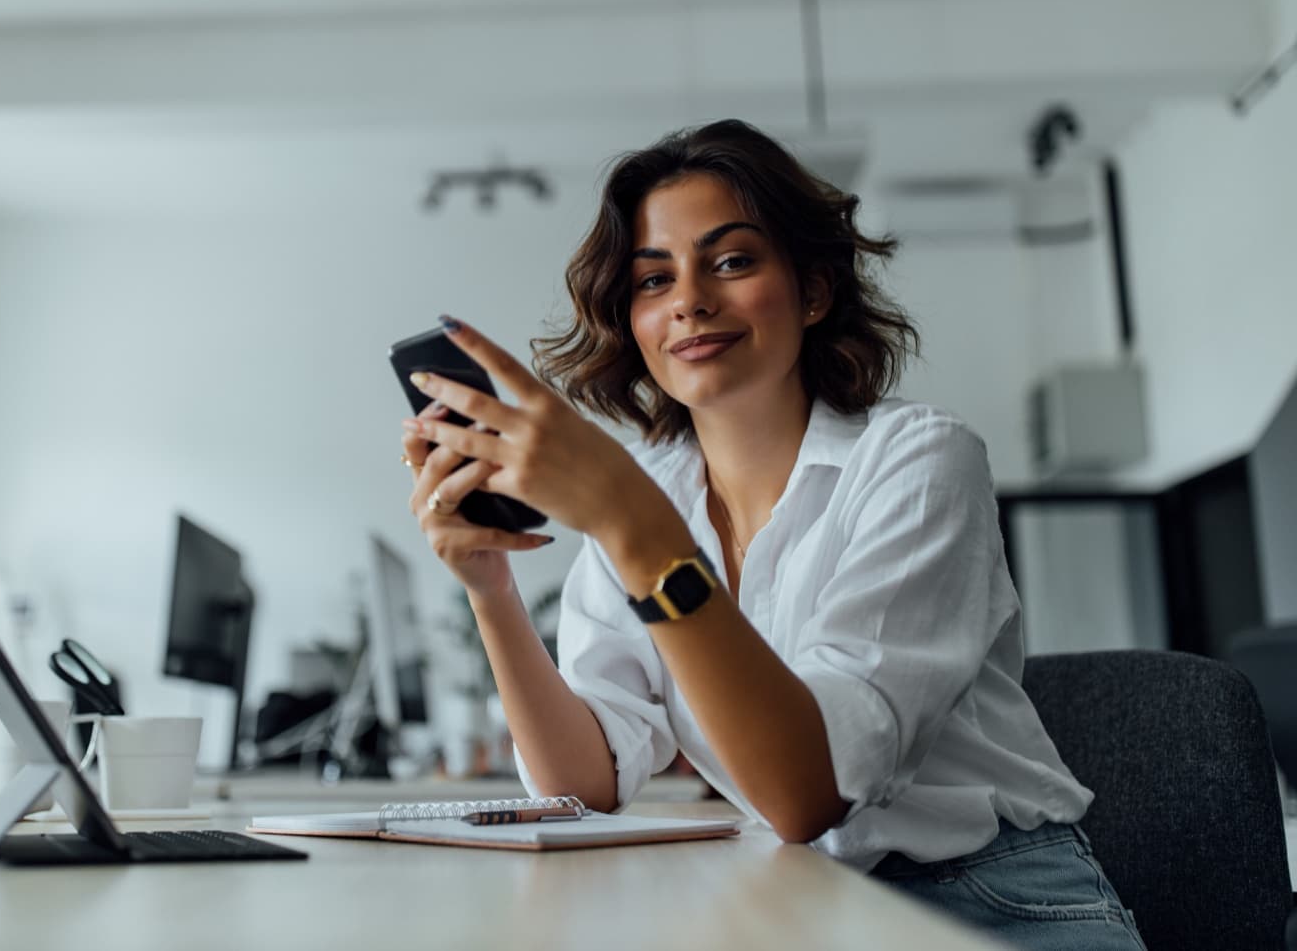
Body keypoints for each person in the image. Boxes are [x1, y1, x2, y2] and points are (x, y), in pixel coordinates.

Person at [398, 119, 1145, 950]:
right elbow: (587, 780)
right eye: (653, 280)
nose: (689, 300)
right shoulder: (650, 500)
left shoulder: (921, 461)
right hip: (802, 899)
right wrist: (490, 590)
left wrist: (625, 520)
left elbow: (808, 792)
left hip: (995, 901)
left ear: (814, 292)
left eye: (732, 261)